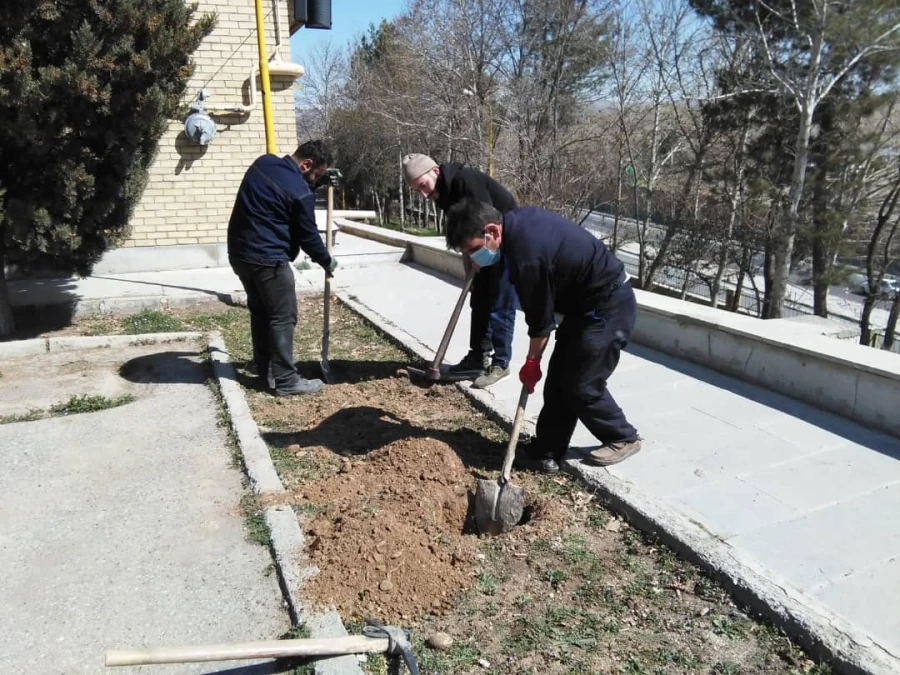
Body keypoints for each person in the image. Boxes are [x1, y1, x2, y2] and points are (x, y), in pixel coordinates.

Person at [444, 198, 642, 471]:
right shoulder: (513, 228)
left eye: (475, 250)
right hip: (583, 308)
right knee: (559, 381)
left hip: (608, 306)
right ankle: (546, 451)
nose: (475, 258)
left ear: (492, 231)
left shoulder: (527, 253)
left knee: (581, 383)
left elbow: (540, 322)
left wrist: (531, 362)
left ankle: (623, 436)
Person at [227, 140, 340, 396]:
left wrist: (317, 182)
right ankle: (287, 380)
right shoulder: (301, 194)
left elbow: (284, 186)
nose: (315, 179)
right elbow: (308, 236)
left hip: (240, 255)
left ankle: (262, 364)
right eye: (316, 174)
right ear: (306, 164)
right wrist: (326, 260)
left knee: (260, 312)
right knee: (282, 316)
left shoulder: (263, 163)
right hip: (269, 261)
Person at [402, 153, 518, 389]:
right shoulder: (443, 193)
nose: (423, 194)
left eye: (422, 185)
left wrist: (482, 257)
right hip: (482, 245)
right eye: (417, 190)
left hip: (506, 241)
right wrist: (469, 268)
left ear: (434, 171)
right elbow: (464, 232)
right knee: (479, 300)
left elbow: (488, 222)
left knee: (500, 303)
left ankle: (501, 362)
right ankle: (477, 357)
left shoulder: (465, 181)